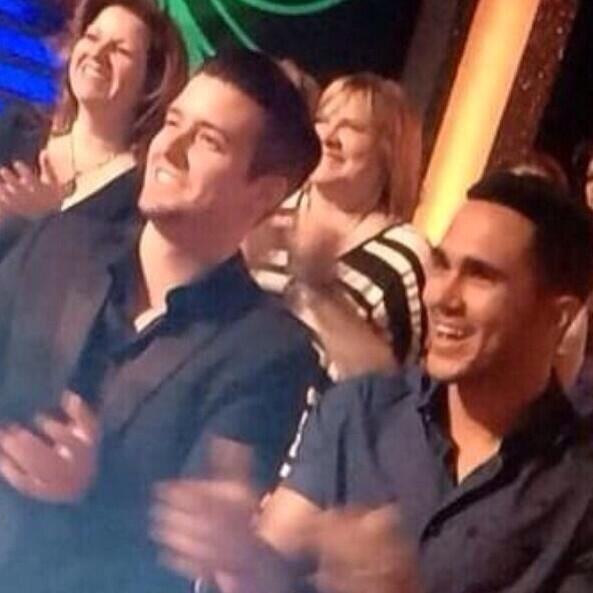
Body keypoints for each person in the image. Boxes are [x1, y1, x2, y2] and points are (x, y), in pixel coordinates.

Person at [152, 171, 593, 593]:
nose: (442, 296)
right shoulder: (361, 412)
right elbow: (273, 569)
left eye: (481, 276)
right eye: (442, 265)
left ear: (559, 316)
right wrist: (238, 556)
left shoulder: (579, 496)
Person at [0, 49, 321, 592]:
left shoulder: (267, 351)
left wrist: (92, 488)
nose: (169, 148)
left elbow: (194, 540)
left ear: (264, 193)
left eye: (208, 140)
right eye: (173, 122)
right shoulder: (59, 244)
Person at [246, 73, 428, 379]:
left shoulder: (404, 256)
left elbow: (393, 386)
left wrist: (320, 293)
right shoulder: (267, 209)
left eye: (352, 127)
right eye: (322, 120)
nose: (328, 137)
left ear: (388, 150)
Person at [0, 0, 187, 256]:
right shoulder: (15, 128)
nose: (97, 54)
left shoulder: (140, 195)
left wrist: (50, 223)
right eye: (91, 37)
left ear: (152, 81)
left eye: (120, 50)